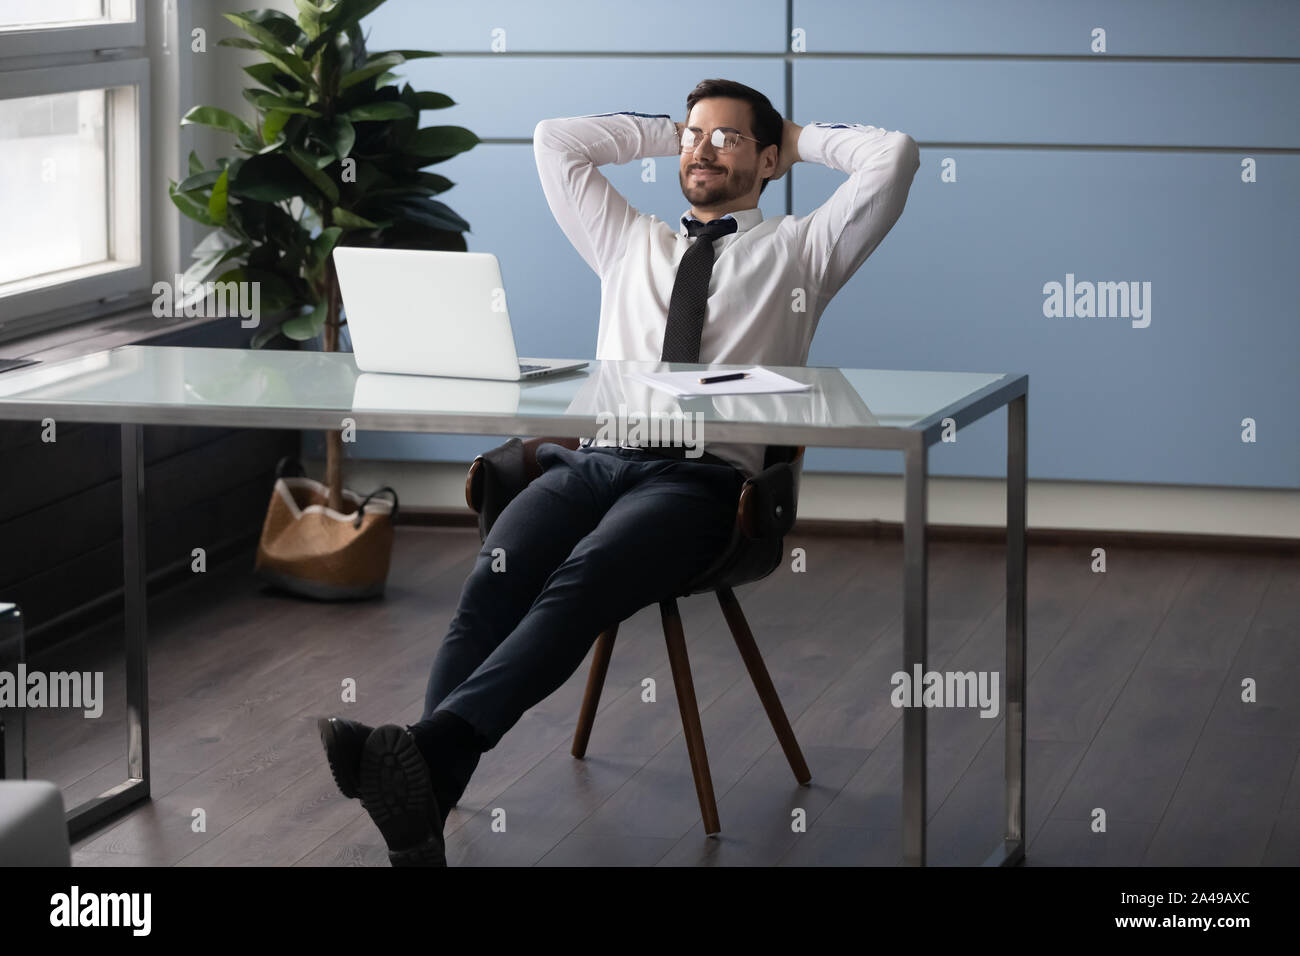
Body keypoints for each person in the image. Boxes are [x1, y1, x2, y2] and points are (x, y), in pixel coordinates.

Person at [319, 77, 920, 866]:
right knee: (495, 576)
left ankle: (427, 758)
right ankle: (428, 785)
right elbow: (554, 139)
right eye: (693, 136)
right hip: (599, 459)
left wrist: (797, 134)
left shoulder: (804, 248)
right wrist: (671, 129)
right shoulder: (626, 237)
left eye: (729, 138)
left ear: (771, 161)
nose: (703, 149)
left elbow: (895, 157)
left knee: (586, 573)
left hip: (706, 484)